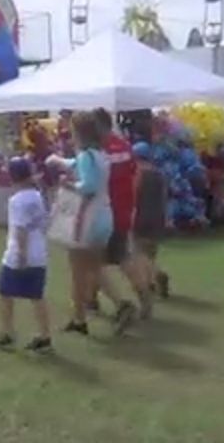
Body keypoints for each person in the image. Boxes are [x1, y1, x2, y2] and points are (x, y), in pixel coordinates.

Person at [56, 111, 125, 336]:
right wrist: (59, 161)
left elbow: (88, 186)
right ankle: (83, 316)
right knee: (91, 267)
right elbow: (77, 164)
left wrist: (69, 185)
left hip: (87, 217)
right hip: (104, 215)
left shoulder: (86, 155)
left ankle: (88, 315)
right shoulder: (99, 154)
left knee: (79, 270)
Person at [91, 108, 148, 322]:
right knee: (123, 257)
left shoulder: (99, 151)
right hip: (123, 210)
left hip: (103, 212)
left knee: (92, 261)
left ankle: (115, 304)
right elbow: (136, 174)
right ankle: (143, 295)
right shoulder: (125, 147)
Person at [0, 157, 52, 354]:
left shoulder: (17, 201)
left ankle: (7, 331)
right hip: (39, 253)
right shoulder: (36, 195)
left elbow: (20, 229)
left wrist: (21, 256)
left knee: (4, 292)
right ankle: (44, 335)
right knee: (37, 296)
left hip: (20, 254)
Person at [131, 141, 171, 305]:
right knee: (151, 252)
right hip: (157, 216)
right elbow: (164, 197)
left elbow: (133, 195)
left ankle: (154, 276)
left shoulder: (137, 173)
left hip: (140, 216)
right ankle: (152, 280)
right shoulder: (158, 174)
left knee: (139, 253)